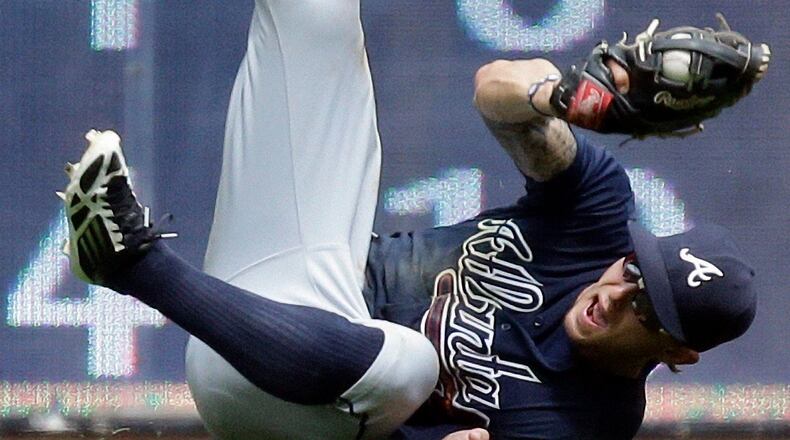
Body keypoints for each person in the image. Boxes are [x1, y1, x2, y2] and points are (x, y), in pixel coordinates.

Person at [60, 1, 766, 439]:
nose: (617, 293)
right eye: (633, 272)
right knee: (318, 15)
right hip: (273, 293)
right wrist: (560, 96)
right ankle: (133, 262)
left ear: (677, 354)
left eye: (646, 307)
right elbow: (495, 93)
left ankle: (132, 263)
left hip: (292, 410)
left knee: (408, 364)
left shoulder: (593, 423)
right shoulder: (596, 217)